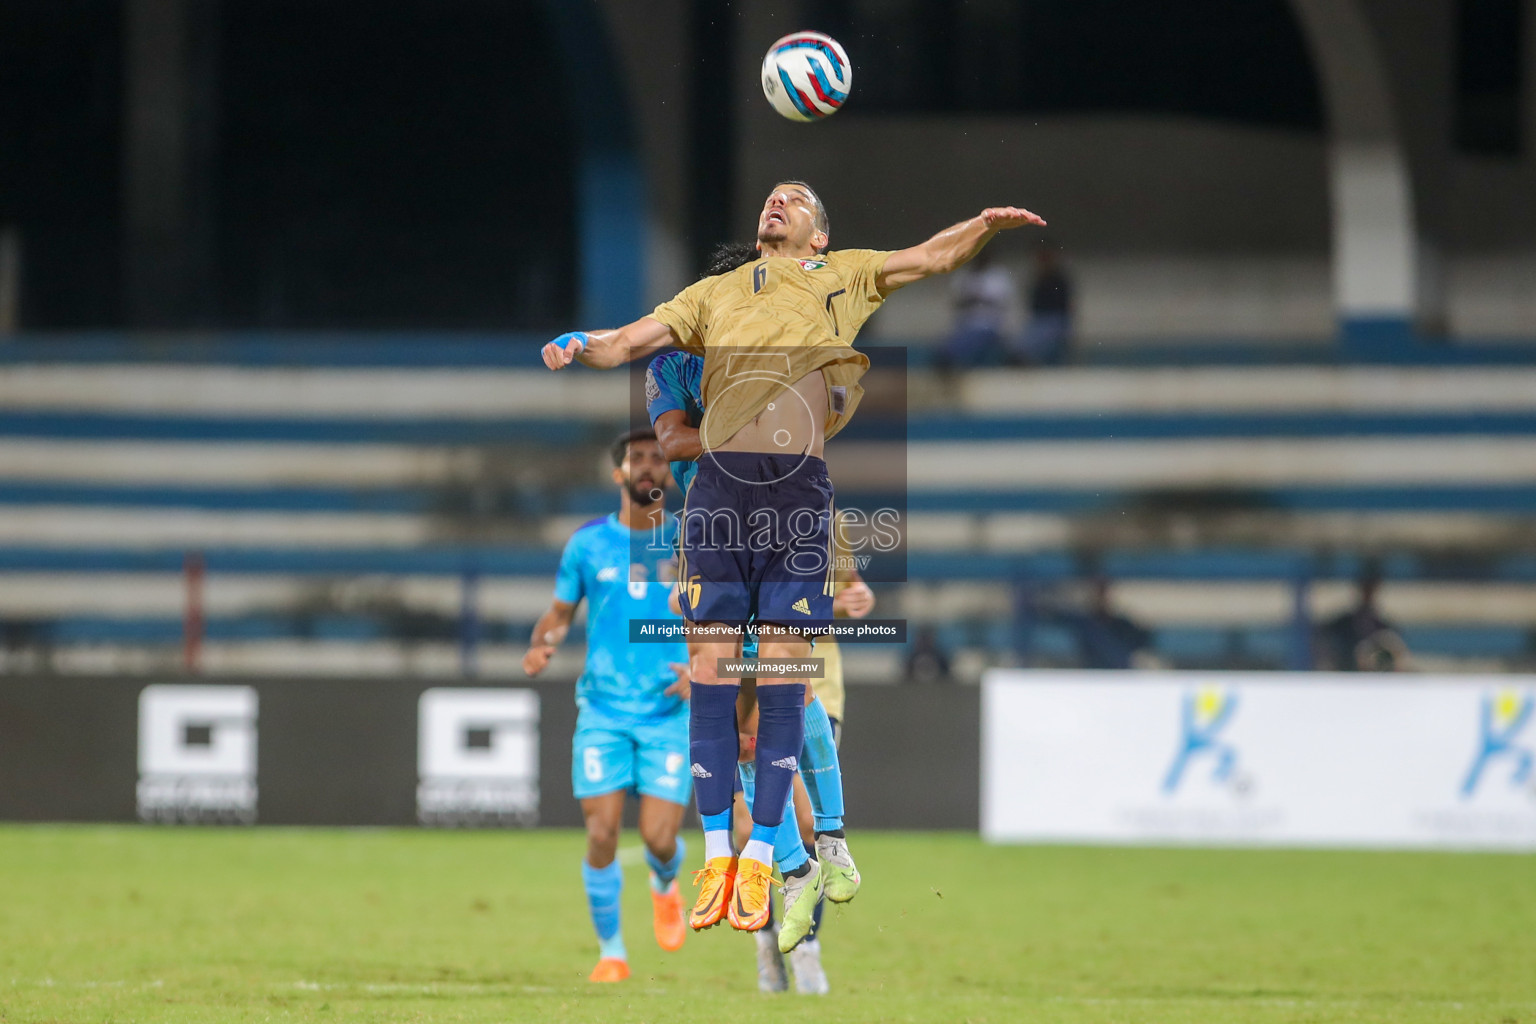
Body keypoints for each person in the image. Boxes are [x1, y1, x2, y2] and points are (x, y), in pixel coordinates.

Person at [542, 181, 1046, 946]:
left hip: (797, 492)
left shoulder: (838, 274)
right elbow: (627, 342)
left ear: (819, 236)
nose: (779, 202)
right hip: (717, 492)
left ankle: (766, 858)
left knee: (785, 673)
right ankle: (718, 857)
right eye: (773, 197)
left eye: (798, 200)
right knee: (709, 668)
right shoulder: (710, 294)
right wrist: (584, 344)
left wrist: (980, 225)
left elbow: (929, 259)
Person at [647, 329, 870, 990]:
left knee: (793, 804)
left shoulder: (815, 507)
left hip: (809, 669)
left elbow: (851, 586)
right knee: (752, 815)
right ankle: (773, 934)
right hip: (734, 637)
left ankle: (810, 909)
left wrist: (853, 595)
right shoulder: (701, 496)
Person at [522, 428, 693, 983]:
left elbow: (722, 616)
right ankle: (613, 952)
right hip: (602, 710)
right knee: (601, 835)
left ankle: (665, 882)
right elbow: (560, 613)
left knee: (660, 839)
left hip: (668, 709)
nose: (647, 468)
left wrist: (704, 665)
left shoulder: (691, 542)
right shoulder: (587, 544)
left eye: (657, 459)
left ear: (668, 474)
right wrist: (542, 641)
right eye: (636, 460)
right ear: (619, 474)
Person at [938, 247, 1017, 368]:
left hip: (990, 326)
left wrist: (979, 298)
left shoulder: (998, 275)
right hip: (965, 326)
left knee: (977, 338)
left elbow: (1001, 301)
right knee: (946, 347)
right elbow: (956, 302)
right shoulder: (964, 275)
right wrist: (972, 299)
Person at [1316, 573, 1409, 671]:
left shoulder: (1385, 627)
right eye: (1365, 589)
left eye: (1371, 590)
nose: (1368, 594)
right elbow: (1323, 641)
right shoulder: (1341, 624)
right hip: (1346, 676)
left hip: (1376, 681)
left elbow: (1397, 655)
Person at [1010, 245, 1073, 366]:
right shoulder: (1036, 278)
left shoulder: (1059, 279)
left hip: (1055, 320)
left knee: (1040, 337)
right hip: (1038, 320)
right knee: (1019, 342)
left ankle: (1030, 360)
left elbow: (1066, 308)